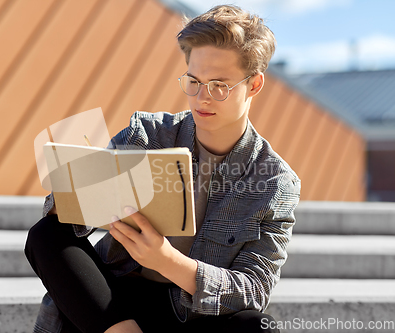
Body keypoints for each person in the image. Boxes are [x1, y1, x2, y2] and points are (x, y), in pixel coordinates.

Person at [25, 4, 300, 333]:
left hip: (189, 313)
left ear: (253, 85)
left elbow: (253, 290)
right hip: (113, 305)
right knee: (47, 234)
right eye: (194, 81)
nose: (202, 98)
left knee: (259, 326)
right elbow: (69, 220)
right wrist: (81, 186)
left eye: (219, 85)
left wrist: (168, 262)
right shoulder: (148, 134)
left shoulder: (275, 182)